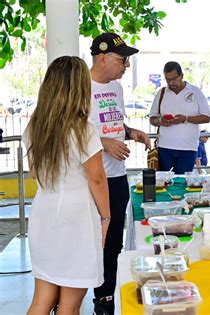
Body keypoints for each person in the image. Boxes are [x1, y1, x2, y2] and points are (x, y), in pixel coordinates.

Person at [22, 56, 110, 315]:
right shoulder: (84, 128)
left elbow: (35, 172)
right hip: (76, 217)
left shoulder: (34, 126)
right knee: (70, 305)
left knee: (42, 299)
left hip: (44, 211)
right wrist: (106, 217)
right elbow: (96, 178)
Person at [89, 32, 151, 314]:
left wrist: (130, 132)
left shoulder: (116, 89)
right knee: (91, 242)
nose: (126, 65)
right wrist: (103, 144)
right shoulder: (79, 87)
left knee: (112, 242)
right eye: (122, 59)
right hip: (90, 179)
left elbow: (114, 123)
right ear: (102, 58)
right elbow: (71, 134)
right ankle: (87, 293)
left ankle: (106, 297)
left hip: (117, 176)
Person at [149, 61, 210, 174]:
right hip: (164, 148)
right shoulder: (161, 93)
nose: (171, 82)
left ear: (181, 76)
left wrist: (185, 119)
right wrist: (160, 121)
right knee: (164, 183)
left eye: (174, 78)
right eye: (167, 79)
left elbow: (206, 117)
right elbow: (152, 118)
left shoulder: (195, 91)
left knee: (182, 183)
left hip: (188, 148)